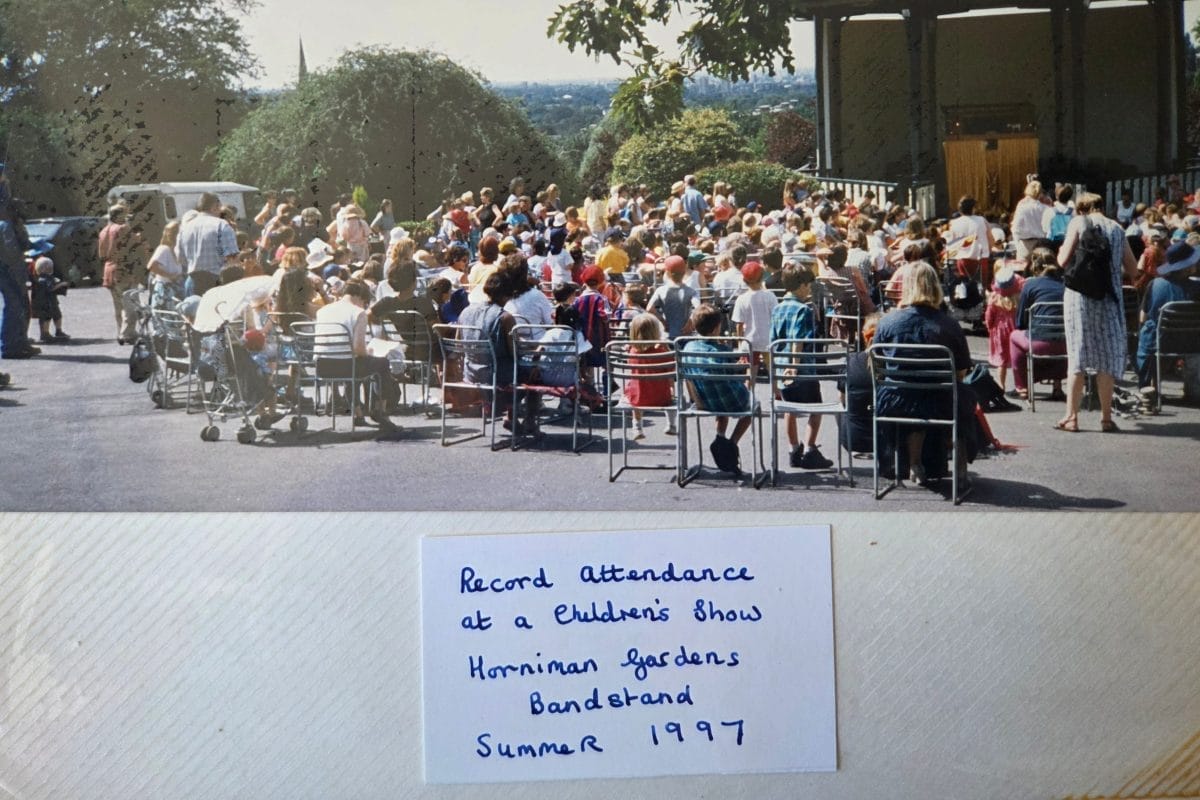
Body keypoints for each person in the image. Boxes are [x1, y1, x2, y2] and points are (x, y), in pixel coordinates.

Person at [872, 262, 979, 486]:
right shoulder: (949, 324)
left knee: (916, 397)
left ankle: (914, 464)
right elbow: (960, 371)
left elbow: (876, 365)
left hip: (896, 400)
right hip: (941, 398)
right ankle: (960, 468)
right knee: (963, 397)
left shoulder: (888, 322)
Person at [1054, 192, 1138, 433]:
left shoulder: (1078, 223)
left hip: (1079, 297)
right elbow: (1132, 268)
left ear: (1081, 209)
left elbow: (1062, 260)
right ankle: (1106, 418)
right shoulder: (1117, 229)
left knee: (1077, 355)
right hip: (1109, 297)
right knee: (1107, 357)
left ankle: (1071, 417)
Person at [770, 263, 833, 470]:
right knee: (815, 408)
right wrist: (795, 366)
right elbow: (798, 340)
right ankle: (810, 448)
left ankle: (793, 448)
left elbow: (773, 340)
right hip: (802, 368)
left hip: (780, 366)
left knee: (790, 409)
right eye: (808, 286)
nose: (809, 290)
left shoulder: (777, 308)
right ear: (801, 285)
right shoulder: (803, 310)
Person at [313, 279, 401, 427]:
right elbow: (359, 349)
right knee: (382, 363)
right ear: (359, 297)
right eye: (365, 302)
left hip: (322, 366)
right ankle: (380, 411)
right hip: (348, 366)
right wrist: (370, 351)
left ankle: (358, 414)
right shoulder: (358, 313)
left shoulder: (323, 310)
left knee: (352, 362)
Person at [681, 304, 752, 474]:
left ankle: (720, 436)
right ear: (716, 328)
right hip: (729, 400)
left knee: (719, 391)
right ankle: (731, 444)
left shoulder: (687, 348)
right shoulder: (722, 350)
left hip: (703, 401)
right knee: (752, 406)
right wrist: (740, 366)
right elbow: (731, 374)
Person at [1135, 240, 1200, 399]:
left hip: (1161, 341)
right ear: (1188, 266)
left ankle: (1149, 386)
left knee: (1148, 328)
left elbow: (1142, 318)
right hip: (1193, 343)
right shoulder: (1198, 287)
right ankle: (1193, 388)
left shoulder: (1155, 284)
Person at [1009, 247, 1067, 402]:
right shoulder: (1066, 284)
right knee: (1058, 334)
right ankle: (1057, 387)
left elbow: (1020, 322)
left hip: (1039, 343)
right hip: (1065, 345)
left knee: (1014, 336)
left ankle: (1022, 387)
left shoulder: (1030, 285)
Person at [623, 313, 675, 439]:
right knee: (671, 388)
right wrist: (666, 348)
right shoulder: (661, 352)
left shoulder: (632, 351)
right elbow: (671, 368)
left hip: (638, 398)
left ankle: (637, 427)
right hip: (662, 398)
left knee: (633, 388)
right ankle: (671, 424)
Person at [177, 192, 239, 297]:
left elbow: (180, 258)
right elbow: (232, 259)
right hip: (217, 282)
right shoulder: (221, 225)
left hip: (192, 281)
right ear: (215, 207)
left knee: (196, 313)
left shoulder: (185, 228)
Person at [98, 203, 142, 344]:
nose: (127, 217)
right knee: (131, 304)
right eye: (125, 214)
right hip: (124, 269)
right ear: (119, 215)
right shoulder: (123, 228)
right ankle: (127, 333)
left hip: (109, 269)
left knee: (118, 305)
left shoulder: (104, 230)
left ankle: (121, 331)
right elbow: (133, 247)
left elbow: (101, 254)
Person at [983, 264, 1024, 401]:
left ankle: (1001, 385)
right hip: (1015, 329)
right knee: (1017, 358)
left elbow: (989, 315)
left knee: (1002, 360)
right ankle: (1021, 385)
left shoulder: (994, 298)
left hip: (999, 331)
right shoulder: (1019, 297)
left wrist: (989, 326)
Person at [731, 260, 777, 370]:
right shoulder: (770, 296)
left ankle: (749, 387)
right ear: (762, 277)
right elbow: (776, 317)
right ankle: (776, 388)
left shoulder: (741, 299)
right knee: (773, 372)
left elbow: (739, 325)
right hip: (767, 339)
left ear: (744, 279)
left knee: (750, 374)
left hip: (750, 340)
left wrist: (740, 344)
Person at [648, 255, 700, 339]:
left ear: (667, 272)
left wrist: (663, 322)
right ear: (684, 272)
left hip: (667, 335)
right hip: (685, 335)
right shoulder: (691, 292)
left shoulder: (660, 291)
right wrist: (690, 322)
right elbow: (698, 308)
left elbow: (650, 308)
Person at [30, 257, 69, 343]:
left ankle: (56, 331)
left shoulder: (42, 278)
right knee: (47, 318)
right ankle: (46, 333)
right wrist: (61, 284)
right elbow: (50, 288)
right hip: (47, 303)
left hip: (49, 302)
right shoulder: (44, 279)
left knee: (56, 316)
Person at [148, 220, 185, 310]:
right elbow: (151, 266)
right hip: (165, 291)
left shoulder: (176, 250)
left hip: (175, 290)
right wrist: (169, 276)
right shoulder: (163, 249)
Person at [1011, 180, 1048, 260]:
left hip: (1025, 245)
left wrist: (1018, 245)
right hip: (1042, 244)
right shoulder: (1046, 209)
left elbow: (1015, 228)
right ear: (1040, 193)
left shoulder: (1022, 207)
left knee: (1023, 270)